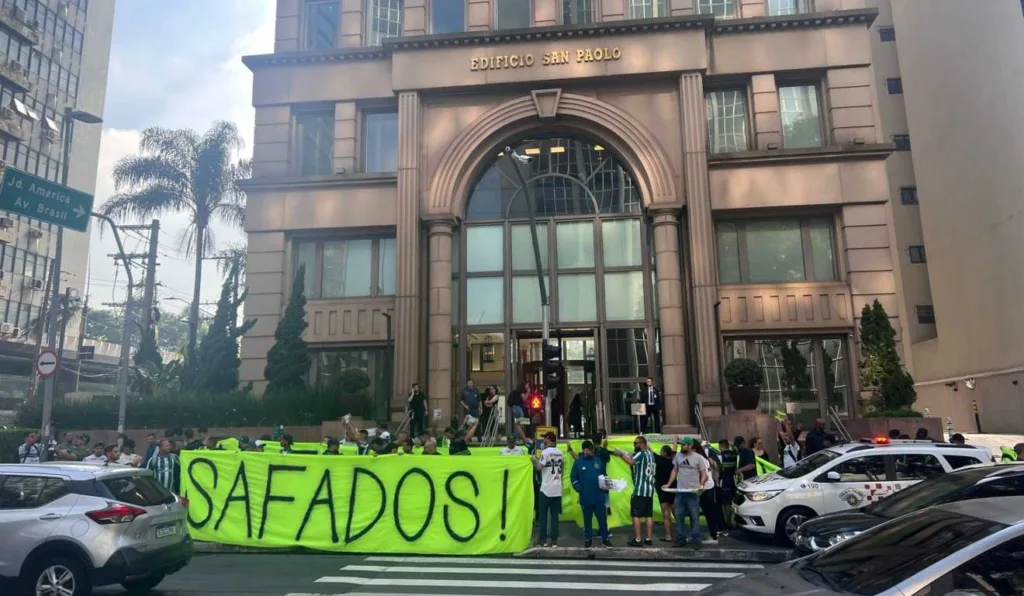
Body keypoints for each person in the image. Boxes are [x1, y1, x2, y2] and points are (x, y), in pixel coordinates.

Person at [663, 436, 708, 548]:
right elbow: (674, 470)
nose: (681, 446)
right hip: (680, 491)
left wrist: (701, 485)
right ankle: (681, 538)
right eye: (681, 444)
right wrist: (668, 484)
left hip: (693, 492)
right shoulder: (678, 456)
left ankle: (696, 539)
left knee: (694, 516)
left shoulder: (698, 458)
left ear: (690, 446)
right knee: (679, 516)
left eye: (683, 445)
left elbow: (704, 474)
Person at [570, 439, 611, 548]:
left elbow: (604, 475)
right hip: (586, 497)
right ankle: (588, 539)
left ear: (592, 450)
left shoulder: (598, 461)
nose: (587, 452)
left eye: (588, 450)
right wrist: (579, 489)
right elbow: (573, 477)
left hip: (599, 497)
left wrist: (606, 486)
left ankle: (605, 539)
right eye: (585, 450)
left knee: (602, 519)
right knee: (587, 521)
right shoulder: (578, 462)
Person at [616, 436, 656, 547]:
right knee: (648, 515)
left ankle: (638, 539)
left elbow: (631, 461)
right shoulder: (651, 455)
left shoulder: (642, 454)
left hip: (640, 490)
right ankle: (648, 538)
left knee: (636, 515)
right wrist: (626, 454)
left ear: (642, 443)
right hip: (649, 489)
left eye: (636, 443)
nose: (634, 445)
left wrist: (620, 454)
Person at [533, 432, 564, 547]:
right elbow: (563, 468)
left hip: (546, 488)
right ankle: (554, 540)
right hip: (557, 488)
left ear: (549, 439)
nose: (543, 441)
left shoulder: (545, 452)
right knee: (555, 516)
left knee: (543, 516)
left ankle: (543, 539)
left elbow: (539, 467)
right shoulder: (560, 452)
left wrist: (533, 460)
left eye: (545, 438)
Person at [693, 441, 727, 544]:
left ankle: (713, 536)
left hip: (705, 489)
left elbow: (704, 475)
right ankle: (713, 535)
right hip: (708, 487)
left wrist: (699, 486)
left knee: (709, 512)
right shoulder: (704, 458)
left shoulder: (700, 459)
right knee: (709, 512)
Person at [655, 444, 676, 542]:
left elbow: (650, 450)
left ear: (663, 452)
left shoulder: (659, 460)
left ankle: (668, 535)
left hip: (662, 489)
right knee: (676, 513)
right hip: (673, 488)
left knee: (666, 514)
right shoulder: (673, 461)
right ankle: (682, 534)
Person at [717, 438, 737, 528]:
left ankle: (726, 522)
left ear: (721, 446)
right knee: (733, 501)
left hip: (724, 481)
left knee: (725, 503)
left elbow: (719, 469)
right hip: (734, 481)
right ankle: (733, 521)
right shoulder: (734, 454)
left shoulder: (720, 456)